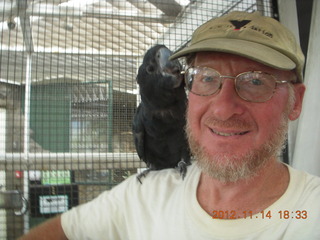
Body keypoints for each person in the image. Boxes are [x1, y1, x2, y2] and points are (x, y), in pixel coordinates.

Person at [19, 11, 320, 240]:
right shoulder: (141, 196)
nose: (225, 108)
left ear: (295, 102)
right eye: (206, 77)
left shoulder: (310, 213)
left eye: (256, 81)